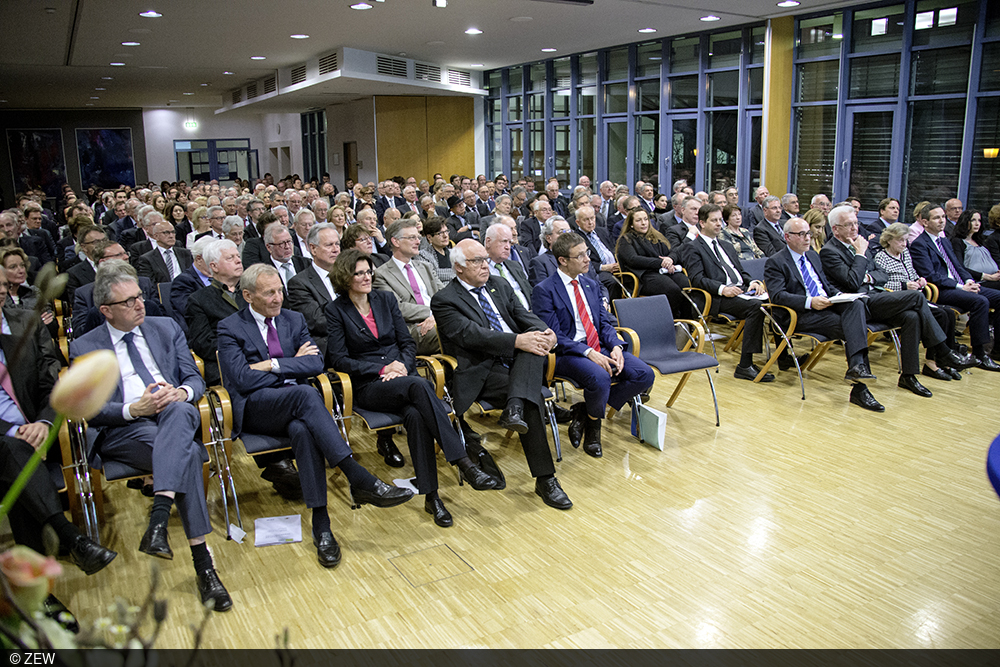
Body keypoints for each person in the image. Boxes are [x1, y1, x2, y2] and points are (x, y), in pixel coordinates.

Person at [217, 264, 413, 568]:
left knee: (303, 429)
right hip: (258, 409)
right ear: (247, 295)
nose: (278, 297)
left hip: (297, 408)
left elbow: (316, 364)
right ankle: (356, 474)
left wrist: (271, 366)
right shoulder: (230, 327)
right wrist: (288, 363)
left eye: (280, 290)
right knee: (306, 394)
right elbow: (241, 379)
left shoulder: (293, 319)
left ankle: (322, 526)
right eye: (269, 292)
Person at [69, 265, 232, 612]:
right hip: (124, 430)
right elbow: (91, 411)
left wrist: (183, 392)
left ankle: (163, 521)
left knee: (181, 410)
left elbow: (194, 378)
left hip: (174, 416)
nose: (139, 305)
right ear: (106, 311)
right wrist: (134, 409)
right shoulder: (85, 346)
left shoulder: (165, 327)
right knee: (187, 454)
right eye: (128, 302)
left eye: (139, 297)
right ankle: (203, 566)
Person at [325, 249, 500, 527]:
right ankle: (464, 463)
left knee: (417, 415)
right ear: (345, 277)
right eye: (359, 273)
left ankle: (433, 498)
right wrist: (383, 369)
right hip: (369, 386)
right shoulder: (336, 310)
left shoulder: (384, 299)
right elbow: (338, 359)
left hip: (402, 378)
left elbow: (407, 343)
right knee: (420, 386)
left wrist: (402, 366)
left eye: (369, 271)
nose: (367, 277)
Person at [431, 239, 572, 510]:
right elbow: (471, 335)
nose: (486, 265)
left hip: (519, 361)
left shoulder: (499, 284)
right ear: (459, 267)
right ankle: (546, 478)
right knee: (530, 394)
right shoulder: (445, 299)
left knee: (533, 349)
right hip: (482, 370)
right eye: (477, 261)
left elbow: (523, 315)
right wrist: (518, 341)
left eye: (486, 259)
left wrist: (545, 332)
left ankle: (514, 407)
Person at [819, 205, 972, 398]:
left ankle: (909, 375)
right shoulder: (830, 251)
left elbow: (882, 274)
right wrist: (860, 256)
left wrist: (867, 276)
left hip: (875, 297)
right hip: (856, 305)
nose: (854, 228)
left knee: (911, 316)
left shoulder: (860, 245)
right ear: (835, 229)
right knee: (916, 296)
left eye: (856, 223)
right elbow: (852, 282)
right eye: (848, 224)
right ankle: (943, 349)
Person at [532, 233, 654, 457]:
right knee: (600, 377)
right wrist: (588, 353)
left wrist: (616, 346)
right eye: (580, 256)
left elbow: (604, 322)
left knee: (644, 374)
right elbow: (555, 336)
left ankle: (584, 412)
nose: (587, 259)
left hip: (600, 346)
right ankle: (593, 431)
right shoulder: (545, 290)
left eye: (587, 252)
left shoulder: (590, 283)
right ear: (563, 260)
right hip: (567, 353)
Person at [763, 217, 883, 411]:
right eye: (801, 234)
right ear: (787, 237)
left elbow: (825, 286)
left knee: (856, 305)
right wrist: (810, 302)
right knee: (854, 328)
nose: (807, 238)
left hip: (826, 305)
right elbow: (777, 296)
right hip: (800, 315)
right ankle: (860, 388)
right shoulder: (775, 262)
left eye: (808, 233)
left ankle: (857, 370)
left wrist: (839, 295)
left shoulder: (813, 256)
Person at [682, 203, 773, 381]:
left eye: (720, 220)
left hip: (741, 290)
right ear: (702, 223)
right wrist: (724, 289)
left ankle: (783, 358)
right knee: (756, 307)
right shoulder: (693, 247)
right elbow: (697, 279)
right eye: (713, 220)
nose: (718, 224)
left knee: (776, 300)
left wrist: (752, 281)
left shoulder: (726, 245)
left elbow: (740, 271)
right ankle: (745, 365)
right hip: (716, 297)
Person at [873, 222, 968, 381]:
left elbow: (912, 274)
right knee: (940, 314)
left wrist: (919, 280)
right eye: (900, 240)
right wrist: (904, 285)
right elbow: (880, 284)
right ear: (889, 240)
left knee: (949, 314)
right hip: (897, 300)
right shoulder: (881, 257)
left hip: (916, 297)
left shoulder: (905, 254)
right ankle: (935, 361)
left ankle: (940, 361)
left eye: (905, 240)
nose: (904, 244)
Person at [910, 203, 1000, 371]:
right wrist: (960, 287)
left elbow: (958, 266)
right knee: (980, 302)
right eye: (936, 218)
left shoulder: (944, 240)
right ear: (924, 222)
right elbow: (931, 276)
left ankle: (997, 348)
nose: (942, 221)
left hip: (959, 286)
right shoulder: (919, 244)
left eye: (943, 217)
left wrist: (968, 281)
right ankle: (980, 354)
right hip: (942, 290)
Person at [372, 219, 445, 355]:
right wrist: (432, 313)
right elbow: (398, 308)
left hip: (438, 319)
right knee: (453, 330)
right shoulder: (381, 274)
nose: (418, 242)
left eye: (418, 237)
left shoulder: (425, 267)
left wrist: (437, 315)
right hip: (414, 328)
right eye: (412, 238)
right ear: (396, 241)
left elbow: (444, 295)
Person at [615, 207, 690, 316]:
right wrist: (661, 263)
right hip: (643, 275)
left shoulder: (657, 235)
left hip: (663, 271)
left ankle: (688, 321)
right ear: (631, 224)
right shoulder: (626, 239)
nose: (643, 223)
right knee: (672, 289)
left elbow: (672, 251)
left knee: (685, 284)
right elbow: (633, 260)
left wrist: (670, 259)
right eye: (638, 220)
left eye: (645, 219)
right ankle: (673, 320)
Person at [286, 223, 341, 359]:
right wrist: (355, 324)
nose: (336, 250)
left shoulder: (350, 275)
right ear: (313, 249)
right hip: (331, 345)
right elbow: (318, 323)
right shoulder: (299, 283)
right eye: (329, 245)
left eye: (337, 244)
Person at [951, 209, 1000, 289]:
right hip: (977, 281)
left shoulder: (980, 241)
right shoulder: (957, 241)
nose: (977, 224)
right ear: (965, 222)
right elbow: (959, 267)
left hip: (993, 279)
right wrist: (987, 276)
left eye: (979, 220)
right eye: (973, 220)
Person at [418, 216, 456, 283]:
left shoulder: (454, 252)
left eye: (446, 231)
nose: (445, 236)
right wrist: (456, 273)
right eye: (440, 233)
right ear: (429, 237)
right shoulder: (423, 255)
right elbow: (432, 275)